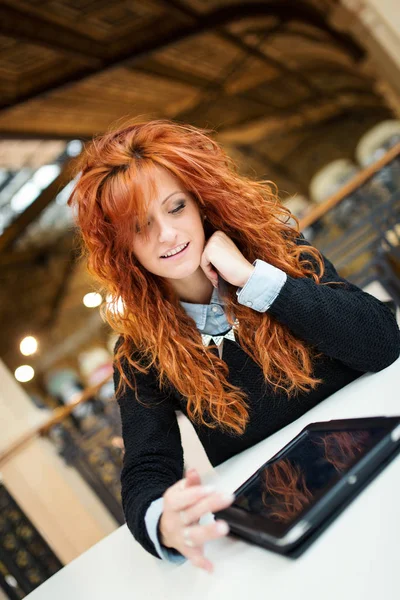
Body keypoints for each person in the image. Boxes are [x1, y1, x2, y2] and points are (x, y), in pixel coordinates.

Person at [68, 119, 400, 573]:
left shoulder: (279, 252)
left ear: (201, 202)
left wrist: (256, 282)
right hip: (288, 526)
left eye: (176, 207)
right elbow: (146, 466)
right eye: (141, 226)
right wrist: (164, 523)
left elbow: (381, 342)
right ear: (121, 246)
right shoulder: (140, 353)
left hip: (380, 467)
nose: (167, 234)